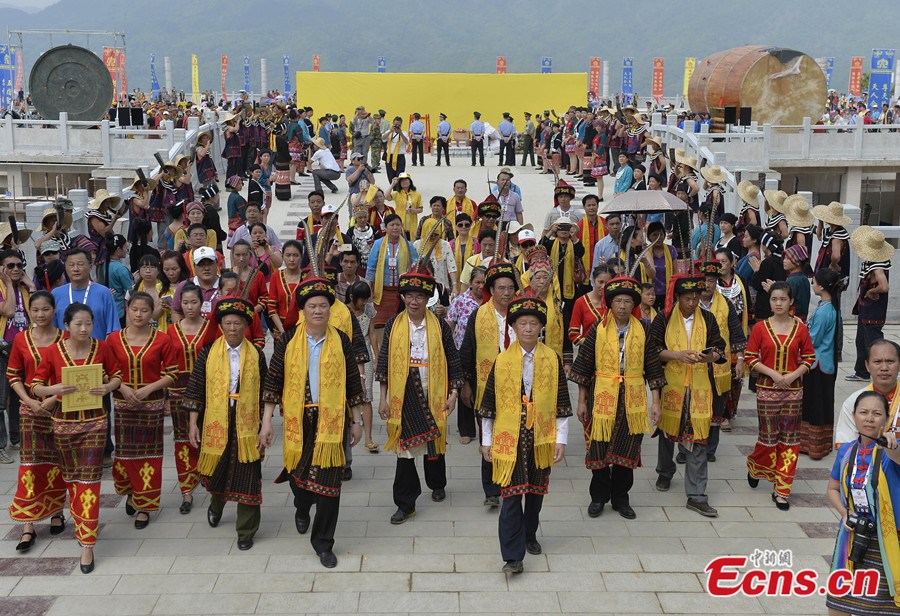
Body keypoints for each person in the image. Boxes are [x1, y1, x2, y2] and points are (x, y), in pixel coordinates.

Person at [260, 276, 369, 568]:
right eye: (312, 306)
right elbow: (273, 381)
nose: (318, 311)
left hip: (332, 421)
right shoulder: (287, 340)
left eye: (323, 305)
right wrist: (267, 420)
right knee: (300, 478)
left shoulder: (341, 341)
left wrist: (356, 420)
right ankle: (302, 504)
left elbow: (352, 384)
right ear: (303, 310)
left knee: (330, 484)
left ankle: (323, 543)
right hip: (299, 419)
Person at [478, 296, 571, 574]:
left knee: (535, 493)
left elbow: (561, 404)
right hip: (511, 437)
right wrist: (486, 440)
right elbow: (489, 407)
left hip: (540, 436)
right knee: (510, 494)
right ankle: (512, 556)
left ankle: (529, 533)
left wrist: (561, 439)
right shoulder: (502, 360)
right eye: (522, 323)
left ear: (541, 327)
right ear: (513, 328)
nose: (528, 328)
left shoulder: (552, 359)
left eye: (533, 323)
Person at [32, 302, 123, 573]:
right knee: (71, 480)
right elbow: (35, 386)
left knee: (89, 480)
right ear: (67, 326)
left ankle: (87, 543)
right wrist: (53, 389)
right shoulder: (53, 352)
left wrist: (107, 386)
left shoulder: (102, 348)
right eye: (78, 324)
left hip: (95, 424)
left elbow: (117, 376)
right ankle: (83, 521)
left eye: (88, 323)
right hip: (63, 426)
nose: (84, 329)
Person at [570, 277, 664, 519]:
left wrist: (656, 402)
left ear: (633, 304)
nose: (622, 306)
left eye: (627, 301)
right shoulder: (598, 329)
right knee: (599, 448)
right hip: (601, 394)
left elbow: (653, 367)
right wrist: (581, 402)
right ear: (610, 304)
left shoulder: (643, 328)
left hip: (632, 398)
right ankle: (598, 497)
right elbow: (584, 368)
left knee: (628, 449)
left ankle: (621, 498)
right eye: (618, 301)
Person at [375, 267, 463, 524]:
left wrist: (453, 393)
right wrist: (383, 397)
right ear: (403, 297)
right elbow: (384, 363)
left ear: (428, 299)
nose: (414, 302)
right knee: (405, 451)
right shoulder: (393, 324)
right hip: (404, 390)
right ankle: (405, 503)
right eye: (409, 296)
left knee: (434, 442)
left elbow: (453, 360)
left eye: (420, 297)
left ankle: (437, 483)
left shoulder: (440, 326)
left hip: (433, 387)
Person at [183, 298, 268, 551]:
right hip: (216, 419)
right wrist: (193, 424)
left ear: (246, 326)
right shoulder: (209, 352)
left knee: (249, 474)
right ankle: (216, 505)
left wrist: (265, 426)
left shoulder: (256, 355)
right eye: (228, 323)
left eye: (238, 323)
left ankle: (246, 530)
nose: (233, 328)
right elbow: (196, 388)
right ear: (220, 325)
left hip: (247, 422)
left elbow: (265, 394)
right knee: (217, 469)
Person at [651, 276, 726, 517]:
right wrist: (677, 355)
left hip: (700, 386)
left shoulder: (708, 319)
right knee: (667, 432)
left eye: (695, 298)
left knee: (699, 439)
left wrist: (710, 357)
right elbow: (653, 351)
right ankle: (665, 471)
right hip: (671, 383)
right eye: (687, 298)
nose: (692, 302)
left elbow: (719, 347)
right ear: (677, 298)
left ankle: (696, 495)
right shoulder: (663, 318)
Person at [106, 293, 178, 530]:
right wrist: (122, 387)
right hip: (124, 405)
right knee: (124, 457)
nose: (138, 314)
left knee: (149, 458)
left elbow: (172, 373)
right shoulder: (113, 340)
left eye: (144, 310)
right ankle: (130, 491)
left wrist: (149, 389)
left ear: (152, 313)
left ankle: (145, 505)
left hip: (152, 406)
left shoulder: (162, 339)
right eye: (134, 309)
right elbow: (106, 372)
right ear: (127, 309)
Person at [826, 391, 900, 615]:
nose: (869, 418)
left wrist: (891, 446)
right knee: (838, 605)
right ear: (854, 416)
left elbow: (897, 456)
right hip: (852, 539)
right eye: (864, 412)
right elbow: (832, 489)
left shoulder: (892, 449)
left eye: (877, 413)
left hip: (888, 541)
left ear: (886, 419)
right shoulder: (847, 451)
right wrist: (844, 512)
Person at [745, 282, 815, 510]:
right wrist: (774, 374)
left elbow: (809, 358)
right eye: (774, 299)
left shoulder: (800, 328)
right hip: (767, 390)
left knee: (790, 440)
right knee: (768, 438)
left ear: (791, 301)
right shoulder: (760, 328)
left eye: (782, 299)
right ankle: (756, 464)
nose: (778, 303)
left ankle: (782, 490)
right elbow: (750, 357)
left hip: (793, 393)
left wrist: (793, 375)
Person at [7, 292, 64, 550]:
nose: (40, 314)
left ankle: (56, 512)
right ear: (29, 311)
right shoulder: (21, 339)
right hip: (30, 410)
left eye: (45, 309)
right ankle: (28, 523)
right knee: (30, 466)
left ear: (54, 310)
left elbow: (71, 373)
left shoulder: (66, 338)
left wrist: (52, 399)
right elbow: (14, 375)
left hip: (60, 409)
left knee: (58, 461)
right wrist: (29, 401)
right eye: (35, 310)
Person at [460, 262, 519, 505]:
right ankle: (492, 491)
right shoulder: (479, 315)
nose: (506, 293)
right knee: (490, 436)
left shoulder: (522, 314)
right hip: (487, 386)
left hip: (517, 384)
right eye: (501, 288)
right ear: (491, 290)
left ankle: (513, 481)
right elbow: (467, 351)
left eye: (510, 288)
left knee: (515, 435)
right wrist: (466, 384)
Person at [166, 284, 217, 513]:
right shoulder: (171, 330)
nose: (189, 307)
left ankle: (208, 475)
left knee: (207, 433)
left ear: (202, 303)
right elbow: (166, 365)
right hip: (179, 392)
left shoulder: (212, 328)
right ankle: (186, 490)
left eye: (193, 302)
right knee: (182, 440)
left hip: (207, 390)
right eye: (185, 303)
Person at [695, 261, 747, 463]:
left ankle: (709, 450)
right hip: (694, 366)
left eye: (711, 281)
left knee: (716, 410)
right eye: (704, 281)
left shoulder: (725, 304)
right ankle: (686, 447)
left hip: (719, 366)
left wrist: (740, 359)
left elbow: (736, 333)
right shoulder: (688, 302)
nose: (707, 285)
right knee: (692, 408)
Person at [800, 268, 841, 460]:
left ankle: (814, 446)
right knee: (818, 403)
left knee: (815, 404)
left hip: (817, 364)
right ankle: (816, 445)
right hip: (821, 364)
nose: (812, 284)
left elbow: (813, 339)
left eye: (815, 281)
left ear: (822, 286)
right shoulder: (827, 307)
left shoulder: (825, 311)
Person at [0, 250, 34, 460]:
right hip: (2, 349)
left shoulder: (25, 289)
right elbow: (10, 311)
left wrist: (31, 285)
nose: (15, 269)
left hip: (22, 348)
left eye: (19, 265)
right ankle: (0, 445)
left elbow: (39, 309)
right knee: (1, 401)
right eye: (10, 266)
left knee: (19, 395)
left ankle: (16, 438)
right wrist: (9, 285)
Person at [364, 214, 418, 348]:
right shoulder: (378, 244)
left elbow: (415, 266)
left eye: (398, 225)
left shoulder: (408, 245)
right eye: (392, 225)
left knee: (401, 324)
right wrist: (367, 289)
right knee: (380, 325)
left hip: (401, 293)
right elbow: (371, 267)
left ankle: (399, 350)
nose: (395, 228)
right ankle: (382, 353)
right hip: (381, 293)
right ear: (385, 228)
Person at [848, 225, 892, 382]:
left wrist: (871, 292)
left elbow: (884, 286)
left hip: (873, 311)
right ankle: (861, 372)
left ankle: (882, 370)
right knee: (861, 341)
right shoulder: (876, 262)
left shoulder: (877, 266)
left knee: (874, 343)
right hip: (865, 309)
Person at [346, 280, 379, 452]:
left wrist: (377, 356)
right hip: (347, 355)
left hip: (365, 356)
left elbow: (372, 333)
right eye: (361, 299)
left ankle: (368, 438)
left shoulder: (369, 310)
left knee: (367, 396)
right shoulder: (343, 311)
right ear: (352, 297)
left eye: (366, 299)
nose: (364, 303)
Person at [171, 247, 221, 321]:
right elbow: (176, 311)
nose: (206, 268)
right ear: (194, 266)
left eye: (210, 264)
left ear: (217, 264)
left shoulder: (225, 285)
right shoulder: (184, 286)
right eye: (201, 265)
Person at [568, 265, 613, 346]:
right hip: (588, 352)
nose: (603, 286)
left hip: (611, 350)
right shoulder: (581, 302)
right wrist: (590, 344)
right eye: (600, 282)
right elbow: (573, 333)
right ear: (593, 280)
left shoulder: (614, 302)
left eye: (607, 283)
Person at [749, 232, 787, 322]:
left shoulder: (767, 262)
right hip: (778, 305)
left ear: (765, 245)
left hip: (765, 307)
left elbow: (758, 285)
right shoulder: (782, 260)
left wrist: (756, 271)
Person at [387, 173, 423, 240]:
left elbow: (420, 209)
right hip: (400, 222)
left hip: (411, 224)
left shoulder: (417, 194)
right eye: (402, 181)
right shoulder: (397, 193)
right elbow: (386, 196)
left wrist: (414, 210)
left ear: (410, 181)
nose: (404, 182)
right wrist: (392, 184)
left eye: (406, 180)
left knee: (411, 242)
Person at [783, 244, 812, 321]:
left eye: (788, 258)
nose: (784, 261)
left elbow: (785, 301)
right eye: (784, 258)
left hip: (793, 319)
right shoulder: (804, 278)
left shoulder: (792, 281)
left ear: (798, 262)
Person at [382, 116, 409, 182]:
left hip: (400, 157)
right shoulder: (389, 132)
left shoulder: (404, 133)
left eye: (399, 125)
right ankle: (393, 189)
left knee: (399, 175)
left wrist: (400, 133)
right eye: (395, 125)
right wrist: (391, 131)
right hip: (389, 157)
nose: (397, 126)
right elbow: (383, 138)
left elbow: (407, 142)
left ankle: (398, 189)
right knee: (390, 175)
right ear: (393, 123)